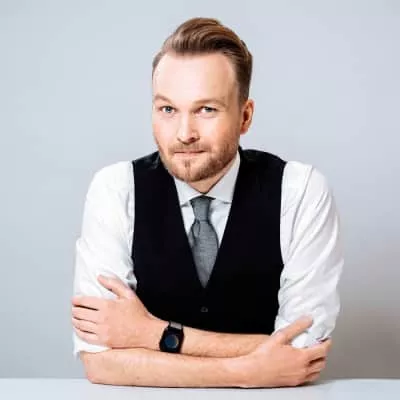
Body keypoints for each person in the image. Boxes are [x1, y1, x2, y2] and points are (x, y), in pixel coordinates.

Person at [71, 17, 343, 388]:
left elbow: (301, 352)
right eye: (168, 109)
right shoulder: (116, 190)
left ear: (245, 116)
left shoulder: (300, 191)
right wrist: (247, 371)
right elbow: (101, 362)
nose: (185, 134)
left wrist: (151, 334)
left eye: (207, 110)